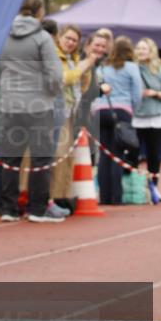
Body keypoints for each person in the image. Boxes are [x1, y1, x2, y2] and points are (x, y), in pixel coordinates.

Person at [0, 0, 64, 223]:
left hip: (10, 104)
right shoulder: (42, 38)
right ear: (39, 11)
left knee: (10, 159)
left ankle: (9, 208)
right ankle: (37, 209)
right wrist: (51, 92)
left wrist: (5, 91)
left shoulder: (3, 35)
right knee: (40, 159)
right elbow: (55, 74)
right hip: (39, 105)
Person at [50, 24, 98, 203]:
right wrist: (83, 67)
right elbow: (65, 79)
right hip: (55, 111)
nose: (70, 43)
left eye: (74, 40)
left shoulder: (74, 58)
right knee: (59, 155)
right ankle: (55, 197)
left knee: (67, 156)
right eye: (68, 38)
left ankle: (63, 195)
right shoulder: (54, 56)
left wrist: (87, 69)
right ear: (59, 37)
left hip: (70, 111)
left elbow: (82, 86)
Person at [92, 35, 142, 205]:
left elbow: (95, 89)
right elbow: (137, 92)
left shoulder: (102, 67)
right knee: (117, 155)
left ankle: (104, 196)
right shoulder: (131, 67)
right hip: (121, 111)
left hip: (101, 110)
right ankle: (116, 197)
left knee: (104, 155)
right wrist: (132, 110)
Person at [133, 37, 161, 203]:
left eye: (144, 48)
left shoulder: (160, 70)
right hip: (135, 117)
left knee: (153, 156)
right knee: (132, 154)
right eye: (138, 48)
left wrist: (155, 93)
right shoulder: (130, 68)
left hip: (155, 118)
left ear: (151, 51)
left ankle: (154, 187)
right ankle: (133, 187)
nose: (141, 51)